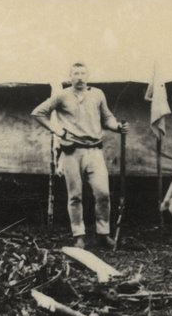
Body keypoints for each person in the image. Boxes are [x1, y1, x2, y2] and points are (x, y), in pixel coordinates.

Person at [32, 62, 128, 248]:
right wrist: (58, 132)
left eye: (83, 73)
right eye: (75, 73)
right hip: (71, 152)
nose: (79, 77)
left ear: (88, 76)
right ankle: (79, 236)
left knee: (103, 194)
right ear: (70, 77)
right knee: (75, 196)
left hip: (94, 151)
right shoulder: (62, 95)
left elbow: (107, 117)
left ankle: (103, 234)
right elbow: (38, 113)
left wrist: (117, 126)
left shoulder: (98, 94)